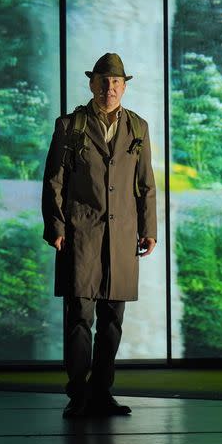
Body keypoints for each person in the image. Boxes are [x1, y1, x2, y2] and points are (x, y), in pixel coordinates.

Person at [41, 53, 157, 418]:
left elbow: (146, 185)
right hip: (81, 235)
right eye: (104, 82)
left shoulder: (138, 128)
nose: (110, 89)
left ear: (124, 86)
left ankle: (102, 392)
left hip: (122, 237)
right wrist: (56, 226)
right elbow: (54, 181)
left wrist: (149, 229)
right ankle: (79, 393)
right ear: (92, 84)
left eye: (117, 83)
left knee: (112, 319)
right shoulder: (69, 126)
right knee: (79, 317)